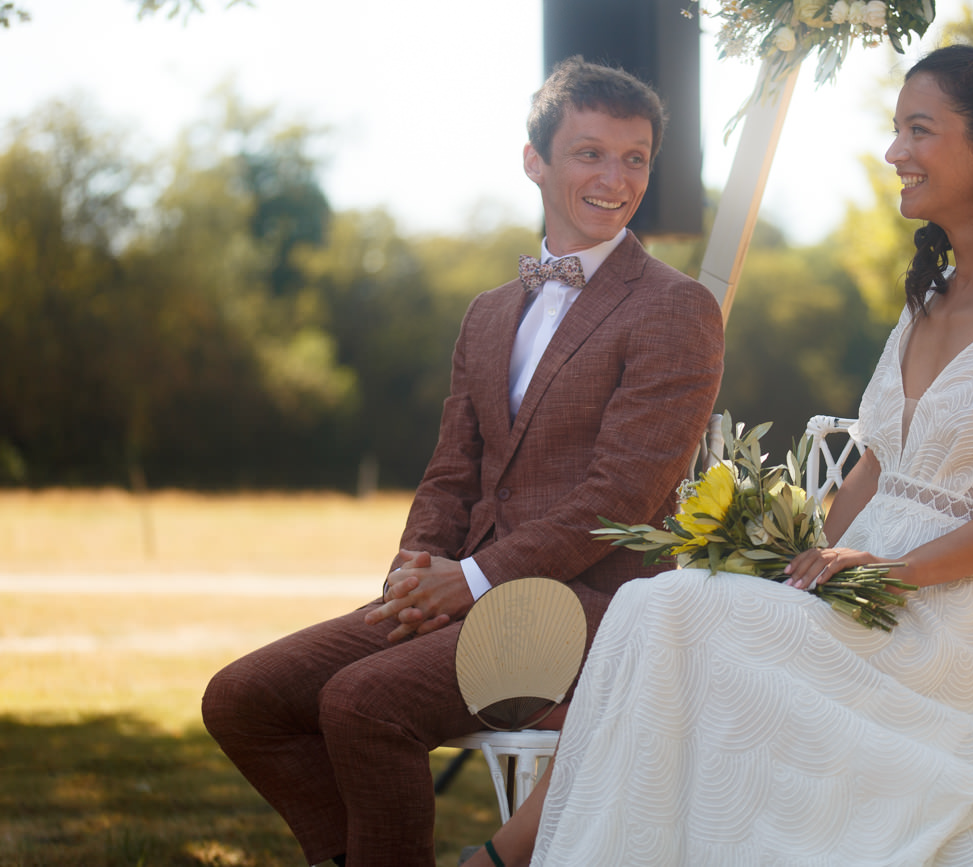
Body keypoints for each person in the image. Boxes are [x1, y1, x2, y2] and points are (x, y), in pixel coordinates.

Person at [464, 43, 973, 867]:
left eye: (919, 130)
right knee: (662, 602)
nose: (896, 152)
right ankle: (541, 850)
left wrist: (888, 571)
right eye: (895, 130)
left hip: (945, 628)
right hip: (854, 589)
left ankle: (508, 855)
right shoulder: (927, 300)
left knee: (666, 610)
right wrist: (793, 568)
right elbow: (875, 469)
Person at [201, 57, 725, 867]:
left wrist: (472, 579)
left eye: (636, 157)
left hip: (591, 610)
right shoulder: (488, 314)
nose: (616, 178)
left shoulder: (676, 307)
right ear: (535, 161)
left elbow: (622, 496)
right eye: (590, 152)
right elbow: (452, 469)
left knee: (365, 702)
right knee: (242, 699)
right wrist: (416, 569)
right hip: (467, 591)